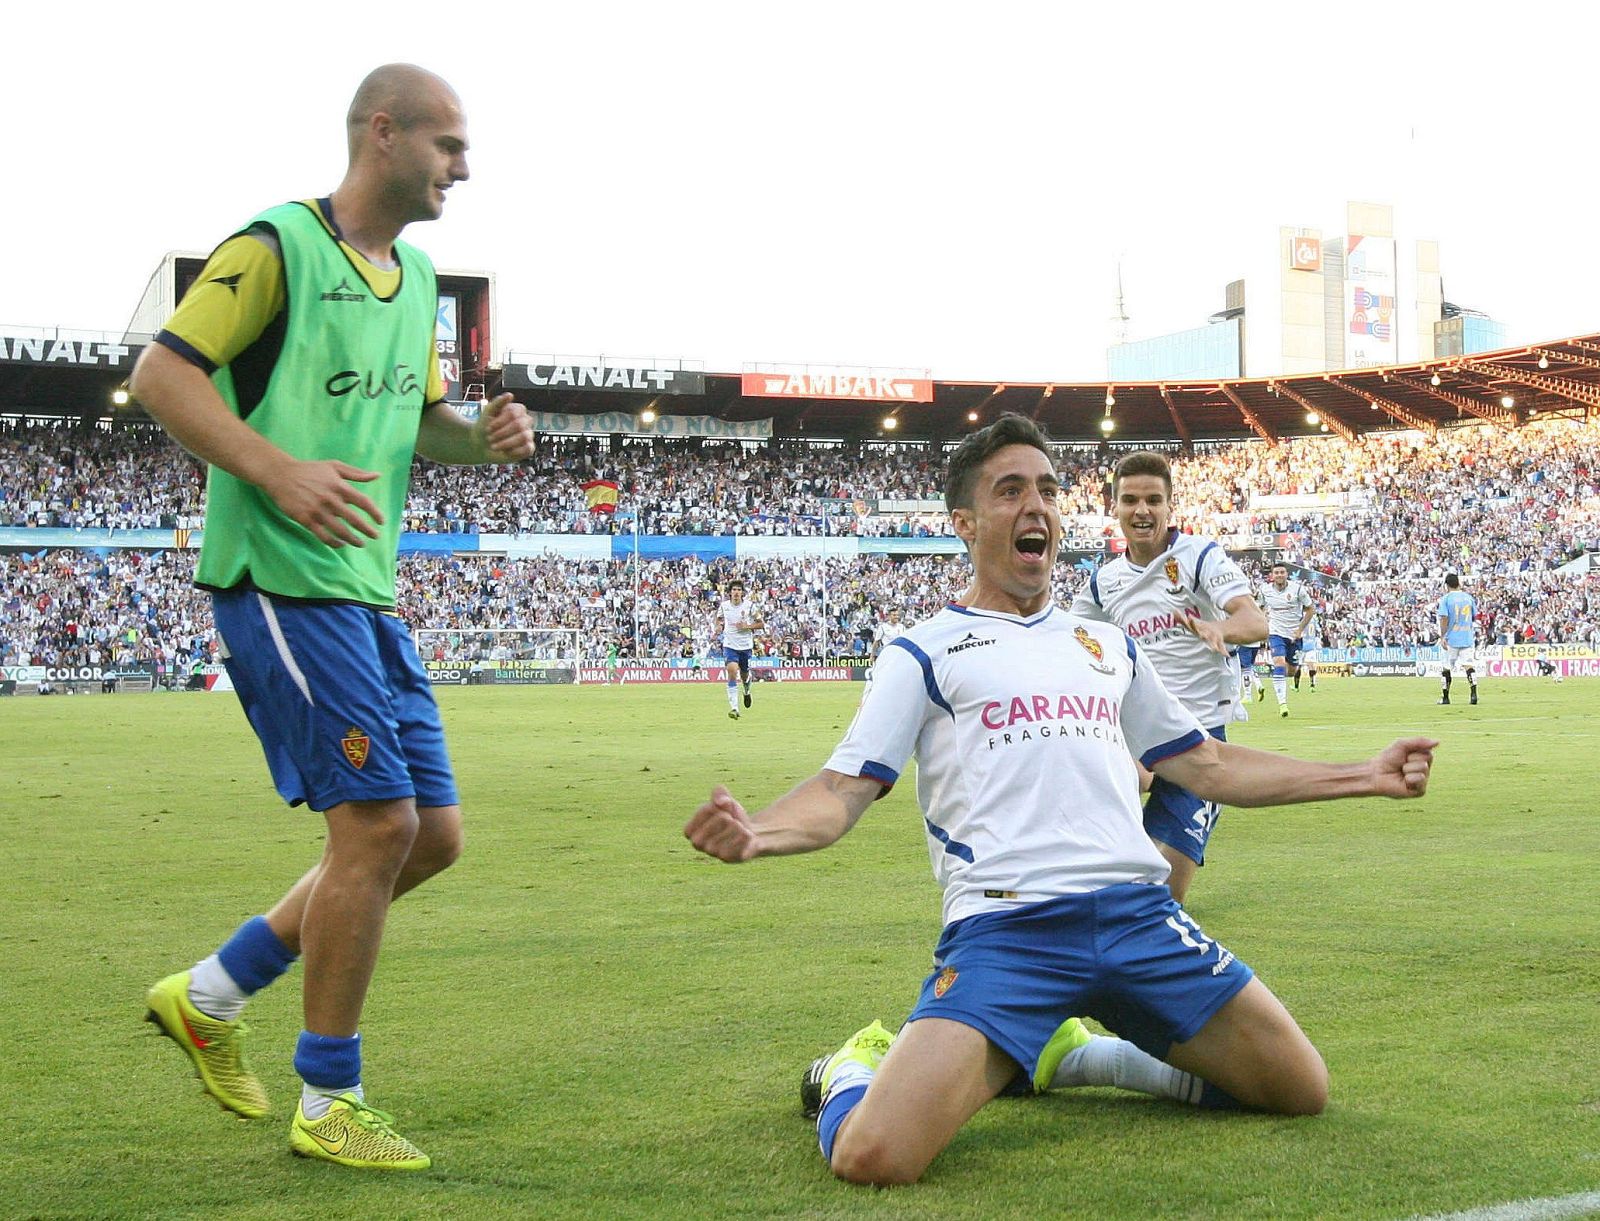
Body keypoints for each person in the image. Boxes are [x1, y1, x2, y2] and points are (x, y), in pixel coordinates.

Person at [683, 414, 1436, 1187]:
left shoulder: (1105, 645)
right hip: (1009, 929)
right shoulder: (923, 650)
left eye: (1047, 488)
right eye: (1010, 490)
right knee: (874, 1156)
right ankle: (851, 1066)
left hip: (1139, 917)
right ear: (965, 523)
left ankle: (1075, 1053)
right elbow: (844, 789)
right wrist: (759, 832)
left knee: (1298, 1088)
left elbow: (1206, 763)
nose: (1036, 505)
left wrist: (1365, 773)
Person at [131, 64, 535, 1171]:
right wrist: (277, 472)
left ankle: (209, 996)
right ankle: (329, 1101)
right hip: (277, 577)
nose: (464, 166)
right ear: (382, 132)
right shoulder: (272, 248)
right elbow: (162, 377)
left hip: (364, 590)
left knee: (431, 836)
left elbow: (421, 424)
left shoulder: (411, 279)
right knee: (373, 828)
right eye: (449, 144)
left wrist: (477, 438)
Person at [1070, 450, 1269, 904]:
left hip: (1199, 737)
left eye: (1154, 500)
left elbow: (1255, 622)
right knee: (1102, 781)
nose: (1142, 511)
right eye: (1131, 500)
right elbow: (1069, 637)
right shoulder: (1104, 583)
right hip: (1137, 732)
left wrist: (1219, 627)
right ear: (1114, 508)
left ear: (1169, 505)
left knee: (1166, 893)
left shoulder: (1199, 557)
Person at [1261, 563, 1315, 718]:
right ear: (1272, 575)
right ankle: (1282, 704)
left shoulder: (1297, 589)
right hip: (1275, 632)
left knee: (1291, 671)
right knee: (1279, 662)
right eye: (1276, 572)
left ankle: (1287, 679)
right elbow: (1258, 607)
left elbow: (1311, 609)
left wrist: (1300, 629)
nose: (1279, 575)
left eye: (1282, 572)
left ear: (1287, 574)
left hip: (1294, 635)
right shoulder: (1265, 590)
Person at [718, 579, 760, 719]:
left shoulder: (749, 606)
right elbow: (718, 618)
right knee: (731, 671)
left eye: (739, 590)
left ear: (742, 593)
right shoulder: (724, 606)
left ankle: (747, 692)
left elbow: (761, 623)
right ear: (730, 592)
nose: (736, 592)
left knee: (744, 675)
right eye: (734, 590)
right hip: (730, 645)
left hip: (745, 646)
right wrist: (718, 626)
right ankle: (734, 708)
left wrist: (747, 626)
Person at [1437, 573, 1478, 706]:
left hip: (1451, 639)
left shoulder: (1446, 599)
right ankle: (1473, 694)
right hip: (1466, 637)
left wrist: (1443, 636)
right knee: (1468, 666)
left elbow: (1444, 617)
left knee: (1446, 668)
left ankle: (1445, 697)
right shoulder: (1468, 598)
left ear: (1446, 585)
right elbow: (1474, 616)